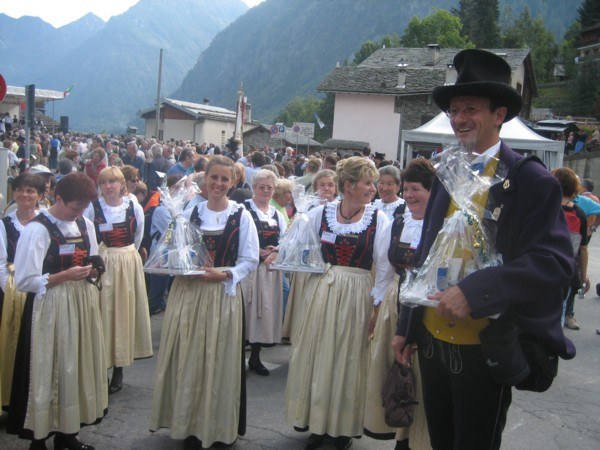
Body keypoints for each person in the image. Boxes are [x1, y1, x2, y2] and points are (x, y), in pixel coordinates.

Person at [393, 49, 575, 450]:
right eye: (455, 110)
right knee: (439, 443)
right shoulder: (446, 173)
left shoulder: (531, 182)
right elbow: (426, 253)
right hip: (432, 341)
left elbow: (555, 264)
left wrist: (476, 291)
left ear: (499, 114)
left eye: (471, 109)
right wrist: (406, 326)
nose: (459, 118)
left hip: (483, 348)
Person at [285, 156, 394, 450]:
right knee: (318, 355)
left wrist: (377, 306)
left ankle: (341, 428)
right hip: (322, 290)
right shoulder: (320, 213)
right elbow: (302, 249)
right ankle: (316, 423)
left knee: (348, 359)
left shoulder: (379, 219)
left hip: (357, 294)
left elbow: (385, 269)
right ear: (349, 185)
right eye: (367, 183)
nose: (373, 189)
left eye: (373, 183)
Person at [150, 155, 259, 449]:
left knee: (218, 361)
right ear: (205, 179)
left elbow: (250, 260)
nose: (219, 184)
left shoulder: (242, 216)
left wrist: (225, 274)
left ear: (233, 182)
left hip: (222, 295)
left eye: (225, 179)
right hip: (189, 294)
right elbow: (176, 253)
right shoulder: (189, 212)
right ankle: (189, 424)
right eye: (214, 177)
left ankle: (217, 427)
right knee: (189, 359)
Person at [8, 173, 107, 450]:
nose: (79, 213)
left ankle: (68, 432)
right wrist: (64, 276)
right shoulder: (37, 230)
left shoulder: (84, 224)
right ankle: (39, 438)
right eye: (75, 207)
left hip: (80, 302)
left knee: (73, 366)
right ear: (58, 198)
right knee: (47, 369)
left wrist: (94, 269)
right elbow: (25, 281)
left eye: (83, 208)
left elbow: (92, 256)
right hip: (49, 305)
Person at [365, 159, 435, 450]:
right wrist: (377, 306)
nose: (409, 195)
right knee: (394, 370)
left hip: (425, 306)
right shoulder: (398, 222)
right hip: (395, 299)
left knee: (419, 372)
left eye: (416, 189)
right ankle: (398, 433)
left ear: (431, 192)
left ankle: (417, 438)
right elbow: (384, 269)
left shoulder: (440, 227)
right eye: (406, 189)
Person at [84, 167, 152, 395]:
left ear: (122, 184)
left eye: (112, 182)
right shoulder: (93, 208)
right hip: (102, 263)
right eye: (104, 182)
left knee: (122, 314)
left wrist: (125, 256)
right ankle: (101, 365)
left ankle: (119, 368)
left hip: (126, 263)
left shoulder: (133, 206)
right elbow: (89, 237)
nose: (108, 186)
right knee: (102, 313)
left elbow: (138, 236)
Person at [0, 174, 45, 408]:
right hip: (12, 288)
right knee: (12, 342)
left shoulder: (46, 221)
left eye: (30, 191)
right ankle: (11, 398)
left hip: (43, 286)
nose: (24, 195)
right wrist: (12, 291)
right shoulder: (5, 224)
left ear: (40, 196)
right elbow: (1, 262)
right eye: (19, 190)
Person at [241, 169, 287, 376]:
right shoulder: (244, 210)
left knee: (263, 315)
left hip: (269, 272)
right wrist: (258, 252)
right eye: (262, 187)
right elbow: (238, 238)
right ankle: (237, 359)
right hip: (248, 271)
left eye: (270, 187)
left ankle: (256, 358)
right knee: (246, 313)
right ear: (254, 188)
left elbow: (285, 240)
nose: (266, 191)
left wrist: (276, 252)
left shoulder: (276, 214)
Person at [551, 168, 588, 331]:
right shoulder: (579, 214)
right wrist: (583, 276)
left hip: (541, 267)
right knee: (560, 311)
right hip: (566, 270)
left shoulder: (545, 207)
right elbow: (583, 249)